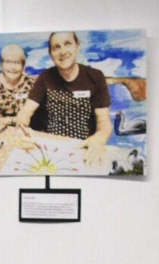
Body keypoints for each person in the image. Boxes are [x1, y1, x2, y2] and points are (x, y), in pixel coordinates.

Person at [15, 31, 113, 165]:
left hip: (84, 147)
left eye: (67, 44)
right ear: (51, 54)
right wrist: (21, 131)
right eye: (56, 47)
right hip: (51, 148)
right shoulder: (45, 77)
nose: (63, 51)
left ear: (77, 47)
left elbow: (104, 122)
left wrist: (99, 139)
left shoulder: (96, 77)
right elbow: (26, 112)